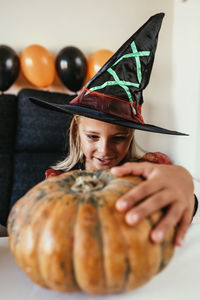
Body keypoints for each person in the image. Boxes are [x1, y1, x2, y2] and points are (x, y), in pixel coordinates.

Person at [31, 13, 198, 248]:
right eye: (92, 136)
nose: (104, 150)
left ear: (132, 135)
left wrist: (187, 190)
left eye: (119, 138)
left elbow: (181, 210)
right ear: (76, 130)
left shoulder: (151, 173)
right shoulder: (58, 183)